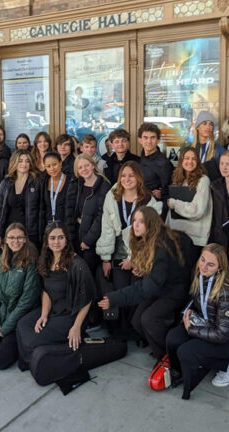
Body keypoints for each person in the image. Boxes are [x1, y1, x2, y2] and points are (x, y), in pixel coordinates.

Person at [98, 207, 191, 360]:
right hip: (160, 286)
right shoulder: (151, 239)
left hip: (173, 291)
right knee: (137, 321)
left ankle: (169, 357)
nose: (136, 225)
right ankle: (161, 348)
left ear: (151, 223)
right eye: (134, 220)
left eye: (141, 221)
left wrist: (114, 299)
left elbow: (145, 289)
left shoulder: (160, 246)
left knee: (148, 319)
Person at [165, 244, 229, 398]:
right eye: (202, 260)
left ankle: (228, 364)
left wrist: (191, 330)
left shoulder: (226, 292)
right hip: (208, 325)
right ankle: (180, 373)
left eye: (210, 264)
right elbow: (197, 299)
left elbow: (222, 335)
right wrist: (188, 312)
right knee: (172, 339)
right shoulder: (199, 275)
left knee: (186, 351)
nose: (204, 266)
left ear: (220, 267)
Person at [96, 161, 162, 336]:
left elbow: (152, 235)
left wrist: (135, 260)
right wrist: (105, 258)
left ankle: (136, 332)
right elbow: (107, 227)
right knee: (119, 289)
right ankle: (122, 332)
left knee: (136, 292)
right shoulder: (113, 196)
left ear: (139, 177)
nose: (127, 179)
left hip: (141, 253)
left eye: (131, 175)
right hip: (118, 251)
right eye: (123, 175)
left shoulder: (149, 200)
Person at [17, 223, 96, 368]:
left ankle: (37, 360)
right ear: (47, 241)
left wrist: (76, 327)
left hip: (71, 315)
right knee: (22, 325)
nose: (56, 242)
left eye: (61, 237)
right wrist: (43, 315)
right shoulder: (45, 260)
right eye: (52, 238)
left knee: (32, 339)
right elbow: (46, 291)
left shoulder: (77, 264)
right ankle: (32, 361)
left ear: (66, 240)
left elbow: (87, 299)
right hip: (53, 310)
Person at [0, 223, 42, 368]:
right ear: (5, 240)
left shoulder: (30, 261)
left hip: (20, 320)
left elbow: (26, 302)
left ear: (25, 239)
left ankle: (17, 341)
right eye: (11, 237)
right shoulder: (3, 258)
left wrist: (5, 328)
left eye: (19, 237)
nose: (15, 241)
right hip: (3, 315)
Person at [65, 153, 111, 275]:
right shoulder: (76, 185)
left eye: (87, 165)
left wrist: (88, 240)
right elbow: (69, 212)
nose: (84, 169)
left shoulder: (104, 186)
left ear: (93, 165)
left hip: (94, 239)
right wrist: (70, 238)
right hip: (76, 236)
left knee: (89, 274)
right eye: (80, 167)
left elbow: (102, 216)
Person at [166, 146, 213, 253]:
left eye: (194, 159)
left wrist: (174, 203)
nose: (190, 162)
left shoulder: (203, 180)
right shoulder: (177, 179)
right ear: (181, 160)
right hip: (176, 234)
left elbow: (197, 210)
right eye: (186, 158)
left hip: (194, 238)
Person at [0, 150, 42, 248]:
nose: (24, 164)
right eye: (20, 161)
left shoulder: (37, 181)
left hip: (30, 232)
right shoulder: (6, 183)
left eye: (27, 161)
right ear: (14, 162)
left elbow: (42, 209)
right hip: (10, 232)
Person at [138, 122, 174, 213]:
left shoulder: (164, 163)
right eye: (145, 138)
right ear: (140, 140)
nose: (149, 141)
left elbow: (170, 188)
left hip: (154, 208)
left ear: (158, 140)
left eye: (152, 137)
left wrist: (162, 193)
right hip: (139, 205)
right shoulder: (138, 159)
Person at [41, 152, 75, 227]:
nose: (52, 168)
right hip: (48, 226)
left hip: (66, 226)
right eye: (48, 166)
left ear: (60, 163)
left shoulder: (71, 182)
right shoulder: (43, 182)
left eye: (54, 164)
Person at [192, 110, 224, 182]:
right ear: (197, 127)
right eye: (204, 123)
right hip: (192, 188)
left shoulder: (219, 150)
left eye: (211, 124)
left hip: (213, 189)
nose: (208, 127)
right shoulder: (190, 149)